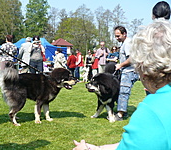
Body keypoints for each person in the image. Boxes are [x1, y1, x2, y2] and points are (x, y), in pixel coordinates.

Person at [73, 18, 171, 150]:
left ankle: (120, 113)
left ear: (143, 67)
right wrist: (98, 148)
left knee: (124, 92)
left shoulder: (151, 112)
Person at [114, 26, 139, 121]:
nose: (117, 38)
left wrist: (120, 65)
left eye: (118, 36)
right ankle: (122, 111)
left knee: (124, 92)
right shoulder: (125, 43)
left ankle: (120, 114)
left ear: (124, 34)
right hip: (126, 71)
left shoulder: (128, 43)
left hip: (129, 71)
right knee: (121, 91)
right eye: (115, 36)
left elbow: (131, 59)